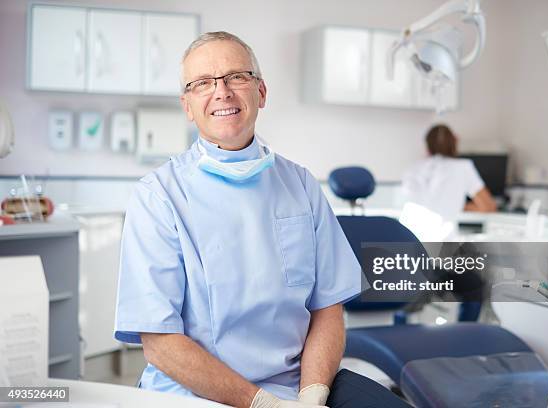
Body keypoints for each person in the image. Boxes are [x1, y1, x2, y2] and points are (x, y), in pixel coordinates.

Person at [114, 31, 411, 408]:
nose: (222, 92)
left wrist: (313, 395)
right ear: (188, 106)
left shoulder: (300, 185)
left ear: (261, 92)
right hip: (197, 393)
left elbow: (327, 309)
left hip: (301, 384)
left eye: (237, 77)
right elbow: (160, 343)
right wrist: (261, 404)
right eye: (203, 83)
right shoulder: (159, 196)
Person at [402, 124, 496, 222]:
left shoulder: (412, 168)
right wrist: (459, 206)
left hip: (410, 234)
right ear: (454, 142)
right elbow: (488, 206)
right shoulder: (462, 167)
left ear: (427, 145)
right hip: (443, 234)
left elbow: (410, 202)